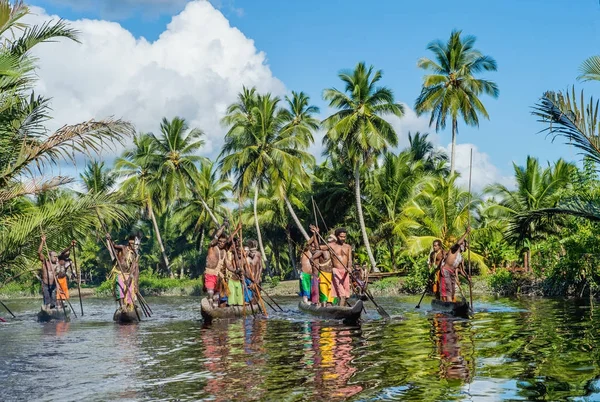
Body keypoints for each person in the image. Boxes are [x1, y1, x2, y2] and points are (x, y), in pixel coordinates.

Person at [38, 236, 72, 309]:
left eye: (56, 256)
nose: (56, 258)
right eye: (54, 256)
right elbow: (39, 252)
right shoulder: (45, 262)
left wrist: (56, 273)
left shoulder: (57, 264)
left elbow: (58, 275)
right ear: (49, 257)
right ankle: (47, 310)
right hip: (46, 285)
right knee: (47, 301)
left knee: (53, 303)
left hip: (53, 285)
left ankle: (54, 310)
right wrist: (43, 242)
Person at [106, 234, 139, 310]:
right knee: (119, 288)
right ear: (131, 243)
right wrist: (109, 239)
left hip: (128, 275)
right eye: (135, 244)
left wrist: (130, 280)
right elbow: (113, 246)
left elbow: (133, 268)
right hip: (119, 273)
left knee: (130, 291)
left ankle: (129, 306)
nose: (136, 246)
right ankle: (122, 306)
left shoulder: (134, 255)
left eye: (137, 245)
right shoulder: (123, 248)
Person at [439, 227, 470, 302]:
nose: (466, 247)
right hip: (445, 270)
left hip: (451, 273)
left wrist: (467, 278)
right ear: (462, 245)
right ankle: (449, 305)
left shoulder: (461, 258)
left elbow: (462, 271)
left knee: (452, 290)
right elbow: (458, 243)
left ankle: (450, 304)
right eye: (465, 245)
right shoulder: (453, 250)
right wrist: (466, 233)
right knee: (448, 289)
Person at [204, 219, 229, 307]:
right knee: (210, 294)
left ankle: (215, 309)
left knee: (216, 297)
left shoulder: (225, 251)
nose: (221, 243)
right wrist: (223, 225)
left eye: (223, 242)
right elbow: (215, 237)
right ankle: (210, 304)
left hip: (219, 276)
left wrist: (236, 270)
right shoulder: (212, 247)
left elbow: (228, 265)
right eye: (220, 241)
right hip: (210, 273)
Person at [310, 225, 335, 307]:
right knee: (323, 292)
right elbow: (317, 246)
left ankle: (330, 306)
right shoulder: (322, 251)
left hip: (332, 275)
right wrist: (315, 234)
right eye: (329, 242)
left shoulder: (334, 252)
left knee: (331, 292)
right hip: (324, 274)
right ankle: (323, 307)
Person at [329, 228, 352, 306]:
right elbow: (318, 247)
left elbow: (349, 260)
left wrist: (349, 267)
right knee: (342, 294)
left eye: (344, 237)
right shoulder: (331, 246)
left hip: (345, 271)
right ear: (337, 236)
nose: (343, 239)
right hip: (336, 271)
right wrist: (315, 233)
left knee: (347, 295)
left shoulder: (348, 246)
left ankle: (342, 309)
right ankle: (340, 311)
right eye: (341, 237)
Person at [225, 237, 244, 306]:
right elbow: (228, 266)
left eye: (236, 245)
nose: (235, 246)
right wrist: (235, 271)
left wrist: (239, 272)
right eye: (234, 244)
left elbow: (238, 264)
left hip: (234, 275)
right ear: (231, 245)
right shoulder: (226, 253)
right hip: (228, 275)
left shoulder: (234, 253)